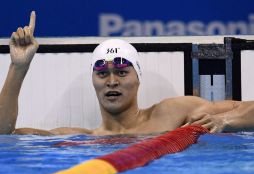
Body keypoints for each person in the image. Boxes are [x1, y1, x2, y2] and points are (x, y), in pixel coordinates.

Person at [0, 12, 254, 136]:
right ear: (93, 81)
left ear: (137, 77)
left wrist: (225, 121)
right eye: (102, 74)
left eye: (122, 72)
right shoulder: (77, 139)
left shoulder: (173, 113)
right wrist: (18, 68)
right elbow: (4, 137)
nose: (112, 81)